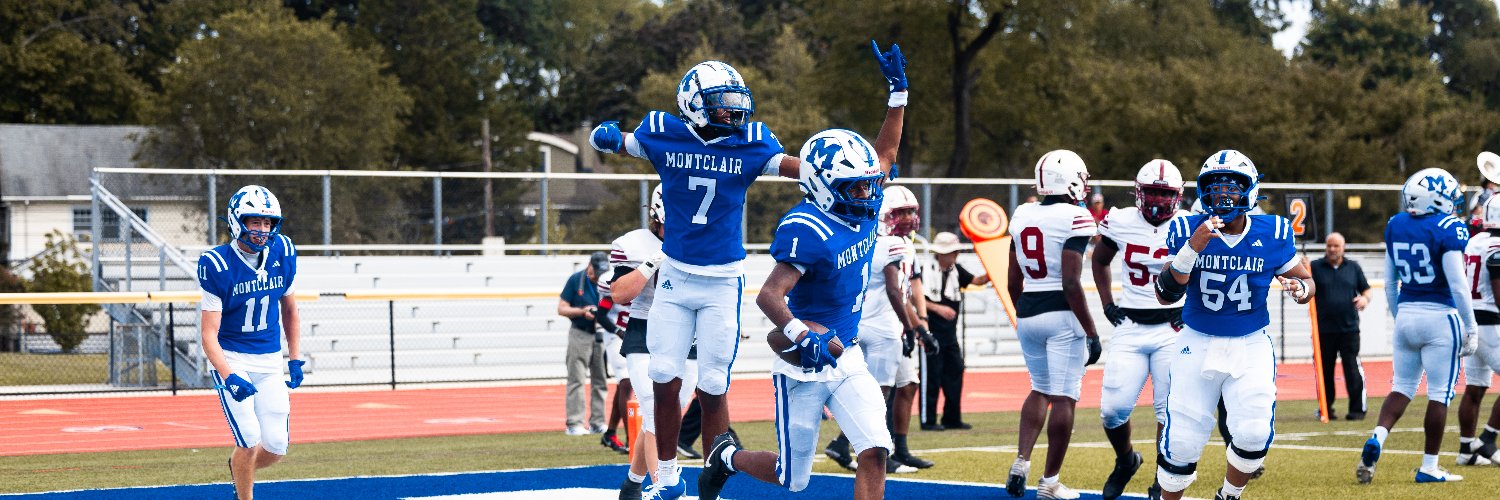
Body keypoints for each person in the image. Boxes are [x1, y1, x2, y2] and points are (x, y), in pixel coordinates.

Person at [589, 37, 908, 499]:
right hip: (679, 276)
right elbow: (634, 144)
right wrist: (611, 140)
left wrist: (890, 104)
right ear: (692, 105)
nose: (733, 116)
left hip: (728, 283)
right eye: (722, 107)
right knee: (664, 376)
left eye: (737, 107)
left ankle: (713, 468)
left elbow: (839, 166)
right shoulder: (665, 132)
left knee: (715, 382)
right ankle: (670, 475)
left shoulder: (753, 144)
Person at [699, 123, 904, 500]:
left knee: (875, 449)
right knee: (792, 478)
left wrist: (898, 95)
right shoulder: (807, 227)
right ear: (823, 186)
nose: (866, 193)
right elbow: (770, 295)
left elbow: (886, 155)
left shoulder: (864, 207)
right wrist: (801, 335)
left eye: (868, 184)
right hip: (803, 363)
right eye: (855, 186)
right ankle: (726, 455)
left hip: (848, 353)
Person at [1154, 150, 1313, 500]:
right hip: (1196, 341)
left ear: (1250, 191)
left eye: (1232, 187)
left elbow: (1306, 281)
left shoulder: (1273, 231)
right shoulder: (1185, 227)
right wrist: (1194, 247)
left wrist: (1301, 288)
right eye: (1215, 187)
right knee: (1181, 443)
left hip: (1250, 344)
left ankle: (1229, 495)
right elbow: (1166, 293)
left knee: (1254, 432)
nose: (1223, 195)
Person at [1358, 167, 1478, 485]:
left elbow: (1390, 282)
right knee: (1439, 394)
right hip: (1441, 318)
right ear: (1435, 201)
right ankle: (1429, 466)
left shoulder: (1396, 225)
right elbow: (1457, 285)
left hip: (1407, 314)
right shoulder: (1448, 228)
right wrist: (1471, 326)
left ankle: (1377, 438)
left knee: (1402, 388)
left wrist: (1402, 318)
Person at [1002, 150, 1102, 499]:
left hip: (1028, 310)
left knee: (1039, 388)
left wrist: (1025, 313)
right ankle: (1049, 482)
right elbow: (1071, 282)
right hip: (1062, 314)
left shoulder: (1022, 213)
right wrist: (1091, 330)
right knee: (1064, 396)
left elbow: (1013, 280)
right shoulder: (1077, 216)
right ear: (1073, 180)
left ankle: (1021, 461)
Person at [197, 185, 302, 500]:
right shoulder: (216, 264)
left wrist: (294, 357)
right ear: (236, 220)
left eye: (267, 223)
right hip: (234, 358)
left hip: (269, 360)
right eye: (254, 221)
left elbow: (290, 309)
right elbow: (207, 334)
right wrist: (229, 375)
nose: (261, 230)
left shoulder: (283, 251)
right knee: (249, 439)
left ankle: (238, 469)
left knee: (276, 446)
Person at [1091, 160, 1188, 500]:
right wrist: (1106, 303)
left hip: (1172, 329)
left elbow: (1205, 272)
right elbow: (1099, 260)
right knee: (1112, 410)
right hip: (1130, 326)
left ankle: (1163, 479)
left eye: (1165, 193)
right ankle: (1126, 460)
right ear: (1139, 192)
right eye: (1153, 192)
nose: (1159, 200)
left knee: (1168, 410)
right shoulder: (1119, 220)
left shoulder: (1190, 223)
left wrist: (1189, 311)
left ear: (1177, 195)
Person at [823, 185, 934, 474]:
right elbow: (896, 292)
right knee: (875, 395)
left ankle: (860, 446)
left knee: (891, 387)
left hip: (864, 324)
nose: (908, 218)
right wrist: (913, 329)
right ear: (886, 215)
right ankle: (865, 449)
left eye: (911, 212)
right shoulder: (891, 245)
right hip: (885, 328)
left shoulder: (866, 240)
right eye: (901, 213)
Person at [602, 185, 701, 499]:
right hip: (645, 329)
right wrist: (652, 262)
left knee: (665, 416)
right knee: (656, 409)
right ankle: (664, 486)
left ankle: (632, 483)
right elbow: (619, 294)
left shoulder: (700, 239)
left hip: (688, 332)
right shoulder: (632, 244)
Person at [921, 231, 989, 431]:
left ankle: (952, 418)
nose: (955, 255)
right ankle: (928, 420)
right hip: (931, 333)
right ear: (940, 254)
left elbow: (977, 281)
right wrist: (938, 308)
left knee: (955, 372)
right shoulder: (925, 270)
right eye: (951, 252)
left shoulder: (956, 270)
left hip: (950, 335)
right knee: (932, 376)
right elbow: (915, 300)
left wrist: (992, 267)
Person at [1307, 232, 1373, 421]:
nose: (1332, 249)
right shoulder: (1315, 267)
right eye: (1329, 246)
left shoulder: (1353, 267)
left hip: (1349, 329)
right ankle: (1325, 409)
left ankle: (1357, 409)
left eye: (1336, 246)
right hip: (1323, 330)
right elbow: (1306, 287)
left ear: (1343, 248)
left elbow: (1366, 289)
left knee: (1352, 369)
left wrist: (1364, 299)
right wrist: (1302, 269)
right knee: (1324, 371)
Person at [1458, 193, 1500, 466]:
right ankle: (1487, 439)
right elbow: (1498, 293)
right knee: (1475, 388)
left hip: (1469, 322)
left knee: (1475, 388)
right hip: (1491, 323)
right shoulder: (1497, 245)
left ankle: (1465, 451)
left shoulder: (1474, 241)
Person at [557, 252, 608, 436]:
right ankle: (574, 423)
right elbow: (561, 308)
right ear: (590, 266)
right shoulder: (576, 280)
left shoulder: (607, 280)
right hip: (580, 333)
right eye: (597, 271)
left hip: (601, 334)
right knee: (576, 379)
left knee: (600, 380)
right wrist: (581, 311)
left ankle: (598, 422)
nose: (599, 275)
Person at [595, 263, 632, 454]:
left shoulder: (640, 277)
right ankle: (631, 439)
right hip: (616, 336)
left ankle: (610, 432)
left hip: (635, 334)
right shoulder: (612, 281)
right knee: (626, 382)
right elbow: (600, 315)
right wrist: (617, 331)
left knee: (624, 385)